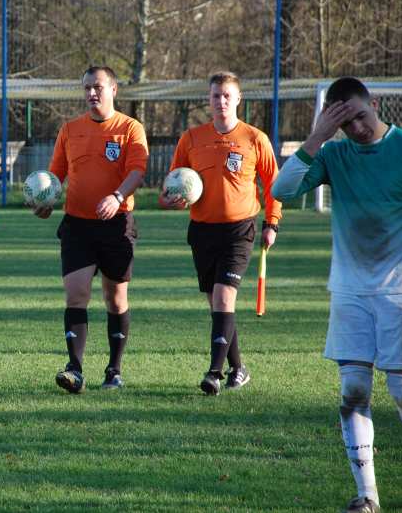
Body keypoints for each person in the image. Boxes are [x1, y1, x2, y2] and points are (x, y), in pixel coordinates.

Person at [272, 77, 402, 513]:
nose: (356, 127)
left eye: (360, 115)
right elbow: (282, 190)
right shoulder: (333, 154)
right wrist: (317, 136)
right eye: (345, 121)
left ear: (374, 103)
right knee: (353, 392)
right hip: (350, 292)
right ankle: (367, 496)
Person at [159, 71, 281, 396]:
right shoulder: (192, 138)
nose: (221, 101)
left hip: (240, 229)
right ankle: (238, 369)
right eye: (216, 95)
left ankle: (214, 372)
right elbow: (170, 186)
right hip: (201, 231)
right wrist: (171, 199)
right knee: (217, 304)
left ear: (239, 99)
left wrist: (273, 222)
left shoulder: (255, 138)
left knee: (225, 297)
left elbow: (274, 185)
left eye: (227, 95)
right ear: (209, 99)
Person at [32, 66, 148, 393]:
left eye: (97, 86)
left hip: (117, 225)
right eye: (86, 88)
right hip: (77, 226)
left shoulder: (130, 128)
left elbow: (138, 170)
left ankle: (114, 369)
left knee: (115, 297)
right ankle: (75, 368)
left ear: (113, 89)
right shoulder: (70, 130)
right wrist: (46, 201)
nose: (91, 93)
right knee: (76, 293)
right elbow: (55, 175)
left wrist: (117, 196)